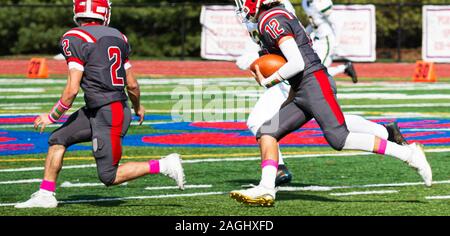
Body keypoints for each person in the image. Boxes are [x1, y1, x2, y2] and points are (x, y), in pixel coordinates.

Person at [230, 0, 432, 207]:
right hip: (302, 86)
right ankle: (266, 188)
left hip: (314, 83)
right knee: (267, 132)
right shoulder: (271, 17)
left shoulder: (271, 20)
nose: (241, 6)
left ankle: (409, 154)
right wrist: (290, 96)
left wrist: (269, 80)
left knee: (338, 138)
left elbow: (298, 63)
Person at [15, 0, 185, 209]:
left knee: (108, 176)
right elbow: (131, 84)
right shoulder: (117, 37)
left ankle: (164, 164)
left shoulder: (74, 38)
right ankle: (45, 194)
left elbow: (72, 90)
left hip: (109, 112)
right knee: (57, 139)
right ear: (104, 12)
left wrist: (51, 116)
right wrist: (137, 106)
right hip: (104, 109)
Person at [302, 0, 358, 83]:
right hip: (316, 39)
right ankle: (345, 68)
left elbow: (337, 23)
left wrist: (336, 43)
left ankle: (344, 68)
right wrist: (304, 34)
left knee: (318, 71)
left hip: (326, 40)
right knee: (311, 69)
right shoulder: (305, 3)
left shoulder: (321, 4)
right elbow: (314, 23)